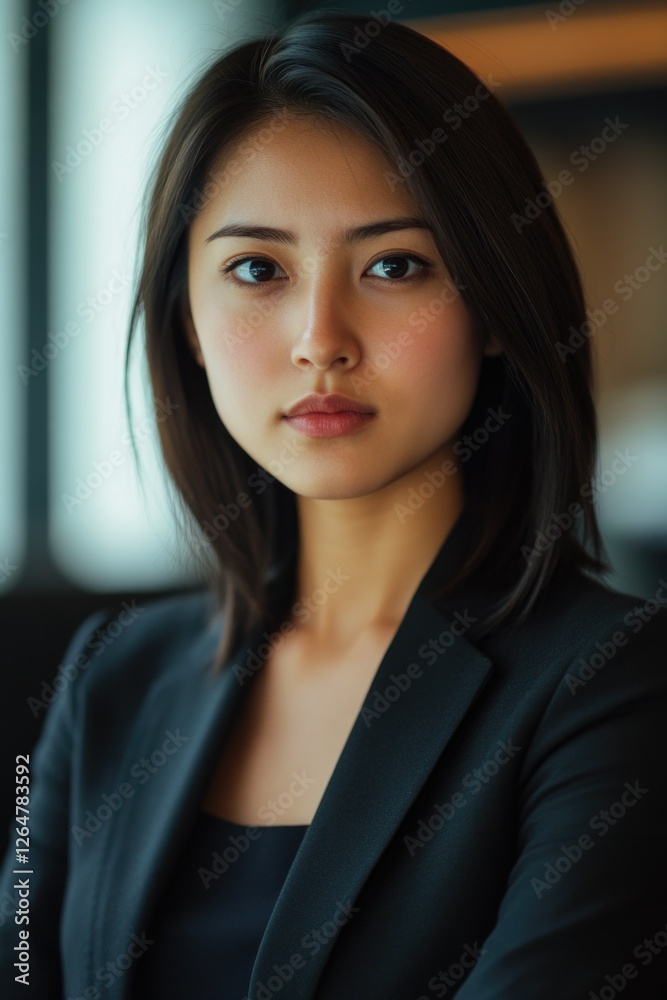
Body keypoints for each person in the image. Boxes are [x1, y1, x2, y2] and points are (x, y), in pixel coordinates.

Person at [1, 8, 666, 999]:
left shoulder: (614, 684)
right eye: (257, 270)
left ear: (492, 303)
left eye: (394, 265)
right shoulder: (112, 677)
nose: (320, 336)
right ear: (185, 318)